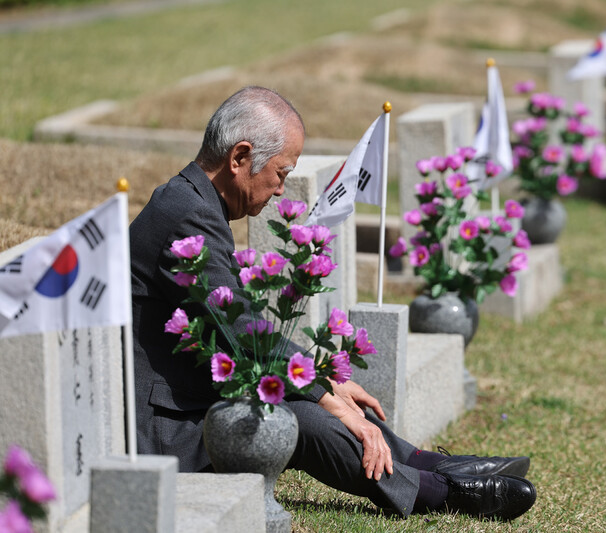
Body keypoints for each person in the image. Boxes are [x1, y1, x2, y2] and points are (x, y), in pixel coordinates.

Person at [130, 86, 536, 520]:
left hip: (191, 397)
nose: (281, 190)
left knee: (324, 396)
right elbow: (243, 336)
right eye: (281, 173)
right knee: (302, 416)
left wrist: (326, 381)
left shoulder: (193, 202)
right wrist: (326, 395)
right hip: (169, 427)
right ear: (239, 158)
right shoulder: (185, 213)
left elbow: (241, 328)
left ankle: (431, 465)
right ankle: (440, 491)